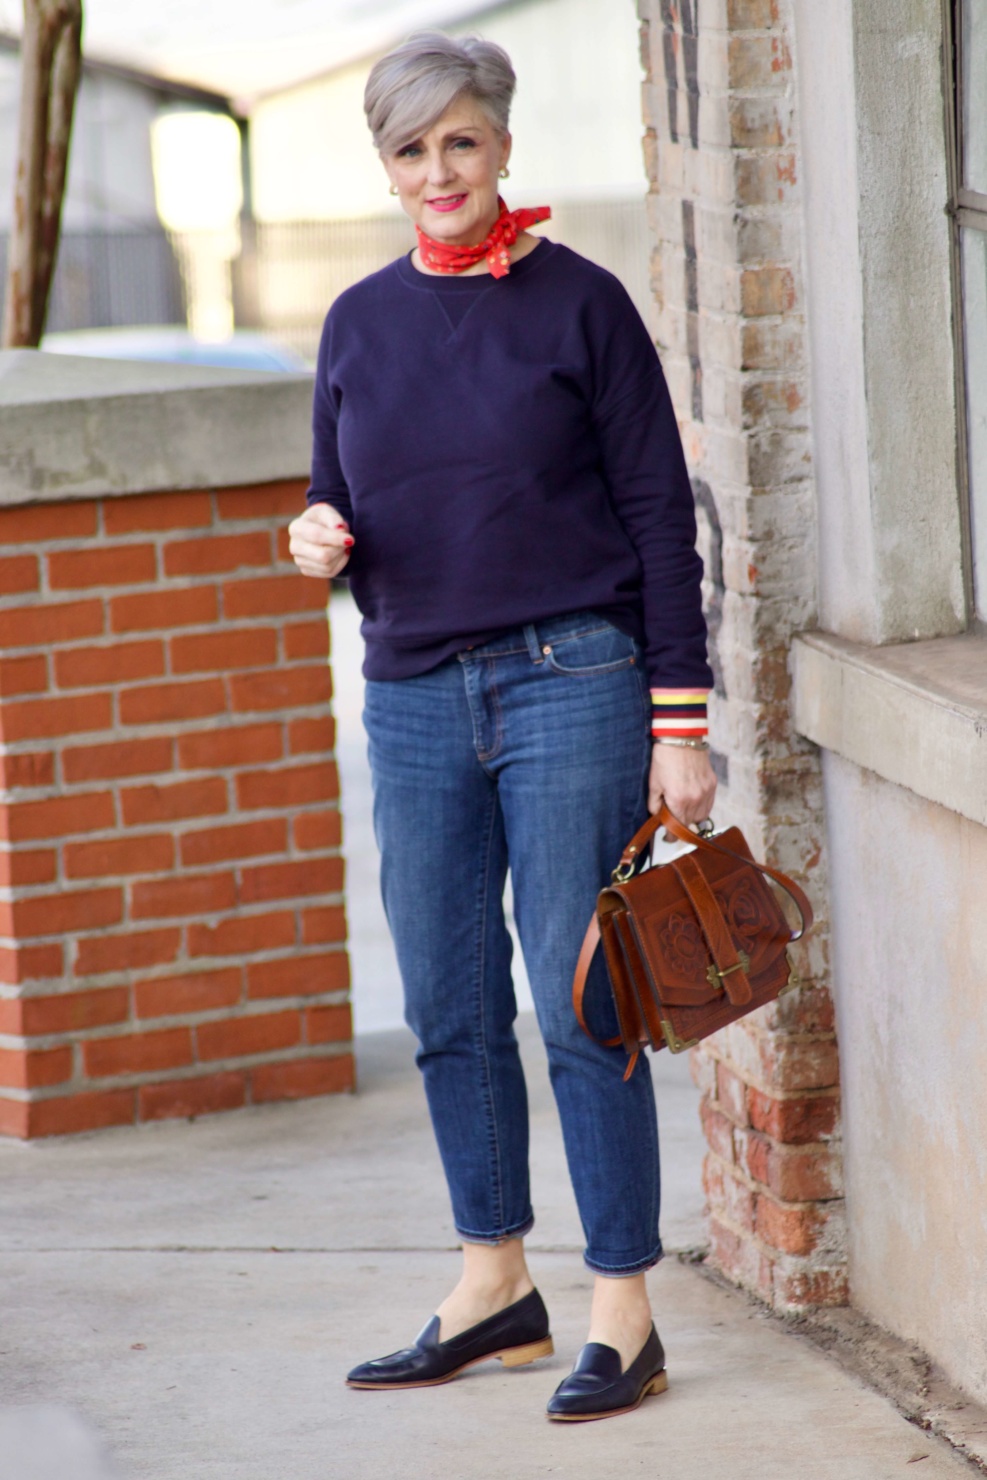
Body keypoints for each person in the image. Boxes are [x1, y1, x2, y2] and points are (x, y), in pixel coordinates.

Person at [288, 30, 716, 1423]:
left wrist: (681, 720)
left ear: (504, 147)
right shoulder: (356, 323)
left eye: (459, 141)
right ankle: (494, 1288)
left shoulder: (583, 307)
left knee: (582, 997)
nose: (437, 171)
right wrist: (315, 538)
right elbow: (338, 504)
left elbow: (661, 514)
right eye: (410, 150)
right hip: (412, 695)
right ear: (388, 166)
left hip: (571, 680)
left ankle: (623, 1312)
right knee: (446, 1005)